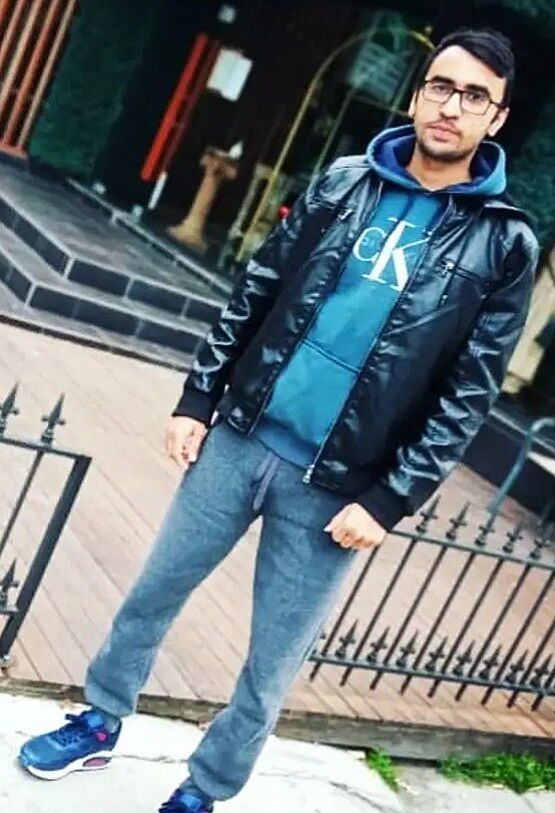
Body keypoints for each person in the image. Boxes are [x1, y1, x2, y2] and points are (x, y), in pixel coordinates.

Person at [18, 27, 538, 813]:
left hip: (335, 488)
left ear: (494, 118)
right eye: (440, 85)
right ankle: (98, 718)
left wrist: (389, 499)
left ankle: (205, 787)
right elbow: (257, 289)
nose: (450, 106)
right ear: (415, 94)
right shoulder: (345, 181)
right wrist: (198, 399)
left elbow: (466, 393)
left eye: (474, 96)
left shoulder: (502, 244)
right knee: (153, 592)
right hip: (240, 437)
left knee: (271, 662)